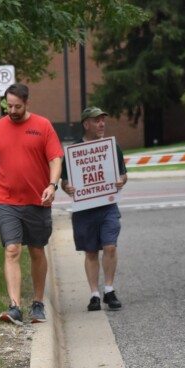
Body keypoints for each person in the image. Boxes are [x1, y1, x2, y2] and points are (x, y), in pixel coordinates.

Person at [0, 83, 63, 325]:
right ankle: (15, 306)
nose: (12, 110)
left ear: (27, 103)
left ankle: (38, 303)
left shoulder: (43, 126)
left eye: (18, 106)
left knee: (37, 250)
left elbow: (56, 158)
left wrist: (52, 185)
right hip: (6, 202)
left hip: (37, 200)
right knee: (12, 250)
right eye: (9, 106)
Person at [61, 107, 128, 311]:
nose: (101, 124)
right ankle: (94, 294)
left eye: (103, 121)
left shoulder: (111, 148)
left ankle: (109, 289)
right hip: (85, 209)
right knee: (90, 252)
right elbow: (64, 182)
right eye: (96, 121)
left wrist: (120, 181)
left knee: (110, 247)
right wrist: (68, 187)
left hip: (108, 206)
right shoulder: (74, 152)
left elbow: (124, 174)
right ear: (86, 124)